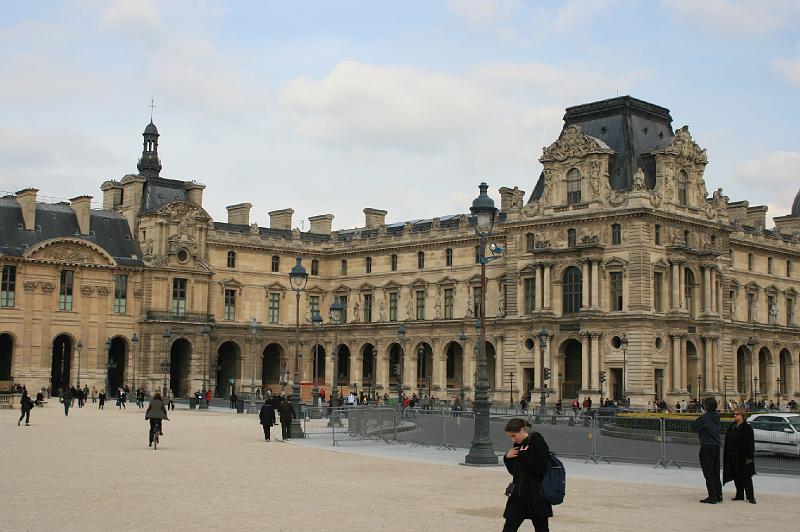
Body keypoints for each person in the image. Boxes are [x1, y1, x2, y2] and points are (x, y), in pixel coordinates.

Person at [502, 418, 553, 532]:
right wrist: (507, 458)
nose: (512, 439)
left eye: (513, 436)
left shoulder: (537, 441)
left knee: (542, 529)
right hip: (519, 496)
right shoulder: (517, 444)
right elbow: (514, 472)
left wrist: (524, 456)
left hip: (536, 496)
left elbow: (541, 468)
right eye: (510, 436)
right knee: (508, 529)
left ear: (522, 430)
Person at [691, 396, 722, 504]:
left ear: (706, 406)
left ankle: (712, 496)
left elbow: (694, 427)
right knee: (716, 472)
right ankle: (719, 495)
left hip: (707, 447)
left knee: (708, 473)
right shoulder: (717, 416)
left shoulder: (705, 417)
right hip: (716, 446)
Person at [723, 407, 756, 504]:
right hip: (733, 455)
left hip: (744, 456)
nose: (735, 415)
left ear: (742, 416)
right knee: (736, 476)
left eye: (737, 414)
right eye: (734, 414)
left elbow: (750, 444)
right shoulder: (732, 426)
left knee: (746, 476)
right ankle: (739, 494)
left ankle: (751, 496)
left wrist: (749, 458)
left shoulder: (747, 428)